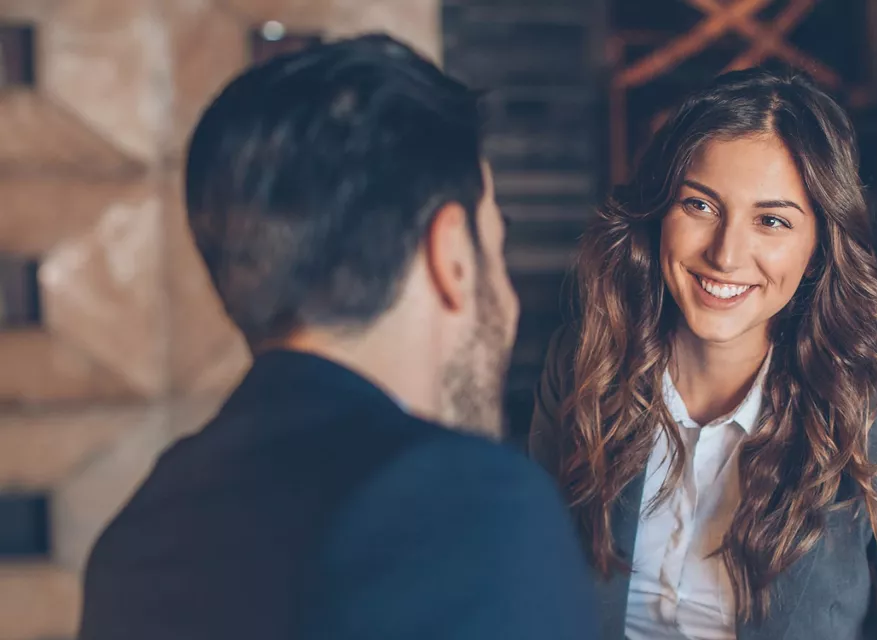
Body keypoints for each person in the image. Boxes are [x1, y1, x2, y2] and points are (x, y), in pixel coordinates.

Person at [79, 34, 596, 640]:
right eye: (495, 247)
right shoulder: (468, 505)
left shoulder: (140, 533)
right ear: (452, 254)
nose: (506, 302)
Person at [529, 67, 877, 640]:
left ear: (820, 244)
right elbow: (525, 585)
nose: (727, 255)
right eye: (699, 206)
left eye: (771, 221)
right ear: (658, 212)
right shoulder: (584, 367)